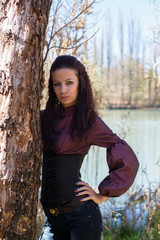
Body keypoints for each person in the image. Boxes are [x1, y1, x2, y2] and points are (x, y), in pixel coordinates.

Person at [39, 55, 139, 240]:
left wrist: (103, 194)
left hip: (82, 218)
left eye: (69, 82)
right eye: (56, 84)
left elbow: (123, 153)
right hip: (52, 220)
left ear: (80, 83)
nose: (63, 90)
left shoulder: (87, 120)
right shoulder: (44, 118)